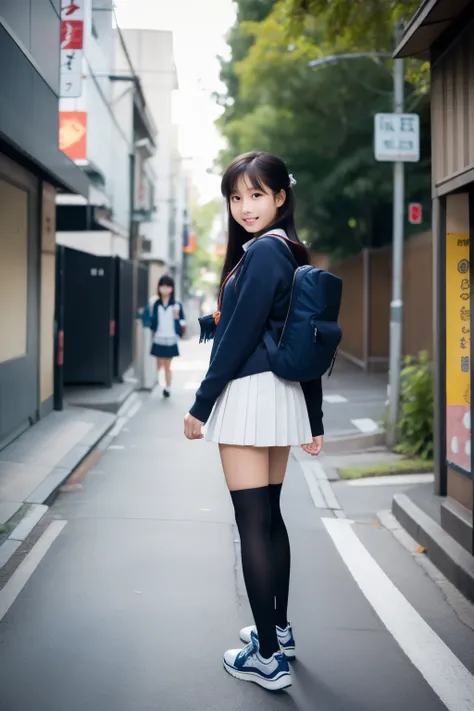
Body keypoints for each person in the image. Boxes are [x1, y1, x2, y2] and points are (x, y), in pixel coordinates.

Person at [184, 151, 324, 692]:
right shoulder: (286, 249)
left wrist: (201, 404)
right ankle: (279, 634)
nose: (245, 207)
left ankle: (267, 657)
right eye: (236, 197)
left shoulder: (262, 253)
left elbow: (241, 338)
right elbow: (291, 328)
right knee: (269, 516)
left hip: (248, 396)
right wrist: (312, 418)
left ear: (280, 197)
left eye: (257, 195)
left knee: (252, 524)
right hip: (281, 395)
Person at [150, 275, 185, 398]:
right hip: (159, 337)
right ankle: (158, 383)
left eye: (167, 286)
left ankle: (168, 388)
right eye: (162, 286)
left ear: (172, 288)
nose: (165, 289)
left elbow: (182, 322)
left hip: (170, 338)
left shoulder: (176, 304)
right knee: (159, 363)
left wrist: (177, 318)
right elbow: (153, 321)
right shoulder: (156, 303)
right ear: (159, 288)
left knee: (167, 365)